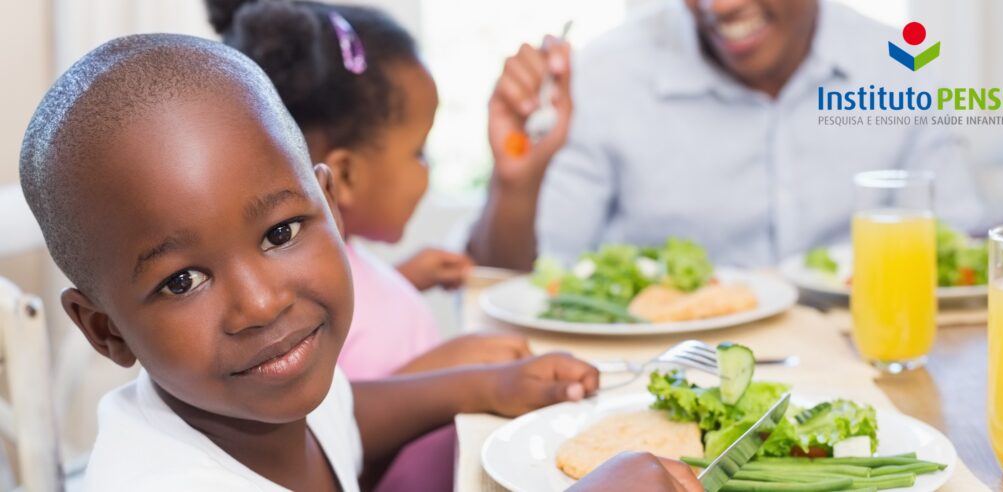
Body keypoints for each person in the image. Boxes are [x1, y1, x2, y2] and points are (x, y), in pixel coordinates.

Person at [19, 33, 701, 492]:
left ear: (331, 207)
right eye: (182, 280)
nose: (261, 304)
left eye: (281, 231)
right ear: (104, 330)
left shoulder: (258, 402)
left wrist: (487, 386)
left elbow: (348, 418)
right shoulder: (165, 479)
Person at [204, 2, 548, 488]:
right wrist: (443, 373)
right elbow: (324, 427)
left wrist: (404, 279)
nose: (425, 171)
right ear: (342, 176)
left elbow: (349, 322)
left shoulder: (337, 263)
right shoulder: (281, 306)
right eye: (418, 151)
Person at [470, 0, 989, 270]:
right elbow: (510, 281)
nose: (719, 7)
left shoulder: (900, 68)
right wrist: (515, 185)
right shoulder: (602, 77)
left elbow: (964, 249)